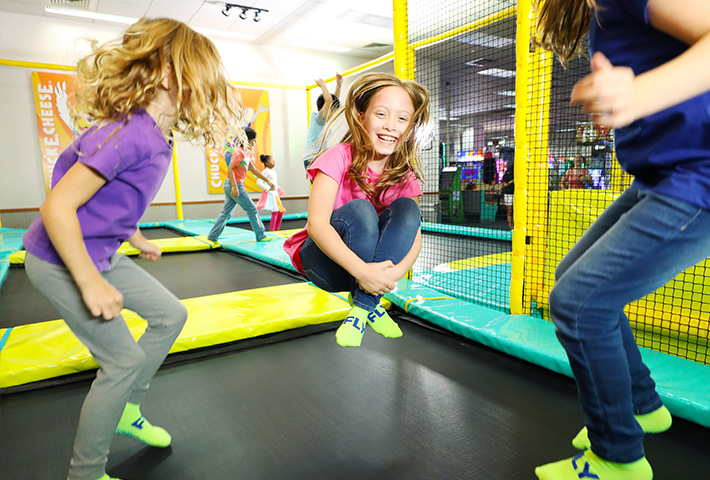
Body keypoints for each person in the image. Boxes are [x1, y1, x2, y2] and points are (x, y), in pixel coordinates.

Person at [20, 18, 242, 480]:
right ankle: (85, 473)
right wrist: (89, 283)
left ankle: (126, 409)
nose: (207, 88)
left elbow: (114, 197)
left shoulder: (158, 133)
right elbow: (58, 207)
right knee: (123, 360)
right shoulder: (128, 132)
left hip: (97, 250)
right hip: (59, 258)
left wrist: (133, 234)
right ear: (166, 74)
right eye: (199, 75)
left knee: (171, 315)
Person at [533, 0, 710, 479]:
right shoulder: (600, 7)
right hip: (660, 176)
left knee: (579, 304)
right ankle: (640, 403)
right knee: (570, 279)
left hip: (697, 181)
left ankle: (617, 458)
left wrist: (641, 93)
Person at [284, 72, 431, 347]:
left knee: (409, 211)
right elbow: (316, 225)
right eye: (381, 114)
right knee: (362, 210)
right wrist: (365, 274)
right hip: (322, 262)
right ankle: (367, 300)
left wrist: (386, 279)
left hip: (366, 273)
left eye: (402, 119)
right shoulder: (337, 156)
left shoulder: (403, 174)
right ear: (362, 116)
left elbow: (415, 240)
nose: (391, 126)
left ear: (410, 127)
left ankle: (364, 306)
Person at [207, 127, 275, 243]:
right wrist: (234, 186)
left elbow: (254, 170)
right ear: (247, 140)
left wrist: (268, 181)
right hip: (235, 184)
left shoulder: (246, 153)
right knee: (252, 209)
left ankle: (212, 236)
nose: (255, 143)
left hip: (233, 184)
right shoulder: (239, 152)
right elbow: (230, 169)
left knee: (226, 213)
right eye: (254, 140)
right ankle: (261, 235)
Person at [303, 73, 343, 169]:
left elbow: (333, 101)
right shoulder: (319, 121)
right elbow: (329, 100)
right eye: (334, 111)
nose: (335, 114)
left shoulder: (325, 120)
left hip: (318, 158)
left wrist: (339, 85)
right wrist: (322, 85)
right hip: (313, 159)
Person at [256, 154, 286, 231]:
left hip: (275, 194)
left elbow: (275, 183)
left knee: (280, 212)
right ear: (266, 163)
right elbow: (259, 182)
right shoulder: (265, 171)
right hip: (270, 194)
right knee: (275, 211)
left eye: (274, 160)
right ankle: (272, 230)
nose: (274, 162)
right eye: (271, 161)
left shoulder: (273, 171)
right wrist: (268, 189)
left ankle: (277, 230)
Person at [500, 160, 514, 229]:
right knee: (509, 211)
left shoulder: (520, 172)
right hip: (509, 194)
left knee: (518, 212)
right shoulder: (508, 172)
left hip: (517, 195)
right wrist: (511, 182)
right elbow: (503, 184)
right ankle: (512, 228)